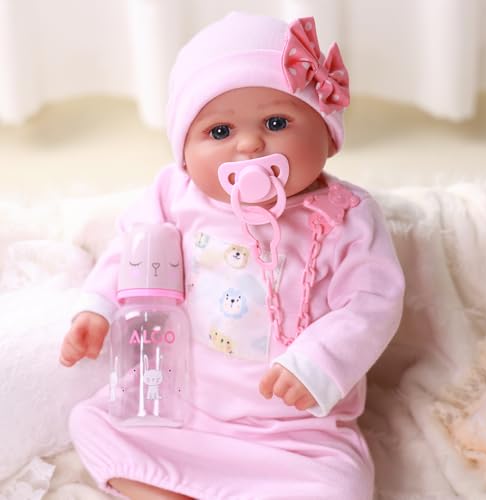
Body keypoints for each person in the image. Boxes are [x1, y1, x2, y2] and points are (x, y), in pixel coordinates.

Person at [60, 11, 405, 500]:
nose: (249, 144)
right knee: (92, 422)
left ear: (327, 134)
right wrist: (97, 307)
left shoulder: (345, 215)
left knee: (341, 486)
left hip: (295, 433)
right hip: (183, 409)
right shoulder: (174, 195)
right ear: (184, 153)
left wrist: (319, 361)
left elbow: (372, 302)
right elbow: (130, 248)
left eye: (276, 122)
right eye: (219, 132)